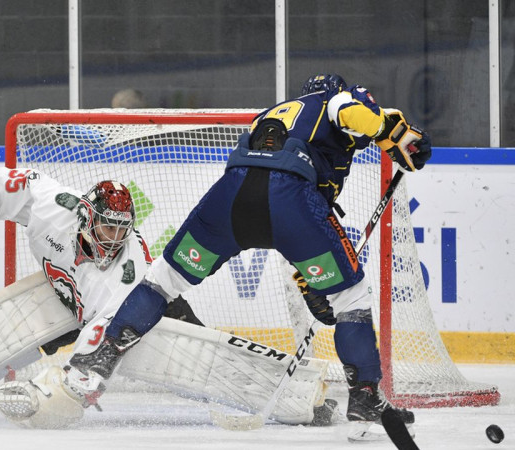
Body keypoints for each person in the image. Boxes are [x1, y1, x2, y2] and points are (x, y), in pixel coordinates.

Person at [57, 74, 432, 428]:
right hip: (290, 200)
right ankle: (365, 397)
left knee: (163, 279)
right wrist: (395, 134)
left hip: (231, 197)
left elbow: (264, 186)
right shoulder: (332, 100)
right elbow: (349, 115)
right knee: (349, 298)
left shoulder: (277, 112)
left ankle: (102, 357)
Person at [0, 169, 335, 429]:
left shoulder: (128, 267)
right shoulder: (48, 203)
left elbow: (108, 334)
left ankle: (302, 396)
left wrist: (62, 384)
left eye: (123, 228)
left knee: (199, 353)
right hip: (63, 298)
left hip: (131, 314)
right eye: (106, 226)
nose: (114, 238)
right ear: (84, 216)